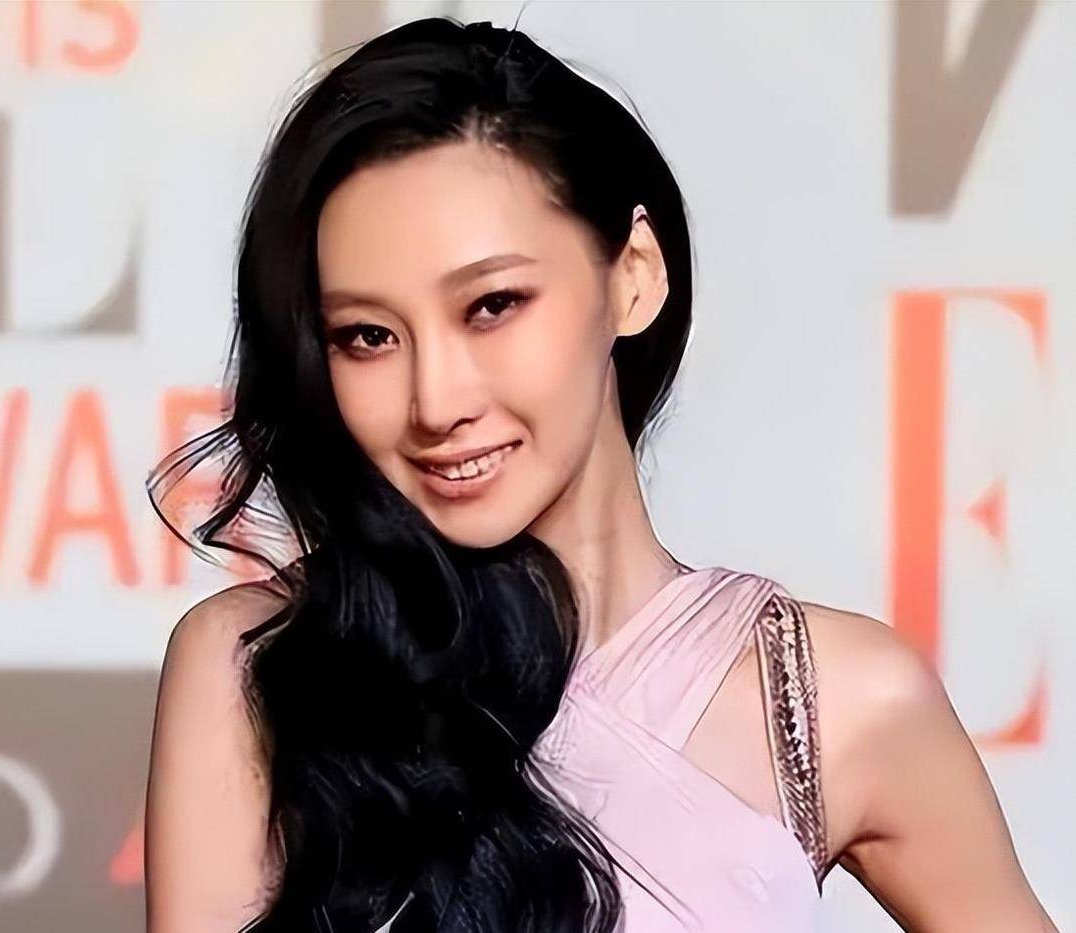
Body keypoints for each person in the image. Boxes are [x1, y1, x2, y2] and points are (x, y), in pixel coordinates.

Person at [142, 17, 1058, 933]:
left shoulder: (838, 703)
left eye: (492, 305)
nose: (436, 400)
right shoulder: (264, 667)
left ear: (635, 276)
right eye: (368, 336)